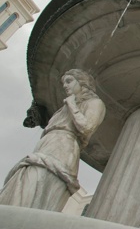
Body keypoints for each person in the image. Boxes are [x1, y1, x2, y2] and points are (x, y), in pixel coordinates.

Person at [0, 69, 105, 211]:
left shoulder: (94, 103)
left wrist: (72, 106)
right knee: (21, 185)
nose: (65, 86)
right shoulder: (63, 107)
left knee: (39, 183)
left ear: (82, 82)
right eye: (64, 83)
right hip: (46, 144)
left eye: (69, 81)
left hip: (63, 147)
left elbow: (86, 128)